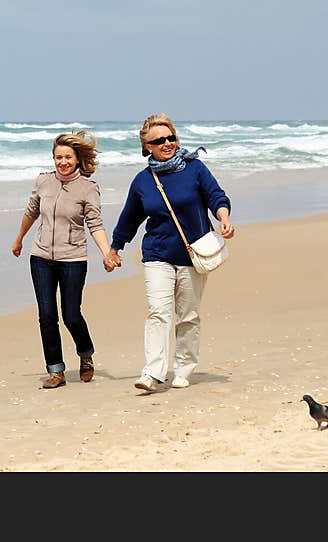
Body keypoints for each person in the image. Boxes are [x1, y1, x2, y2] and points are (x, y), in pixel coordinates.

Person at [106, 113, 235, 393]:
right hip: (156, 254)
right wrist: (115, 248)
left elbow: (216, 195)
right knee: (158, 313)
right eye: (159, 140)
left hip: (192, 255)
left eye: (170, 137)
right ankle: (153, 372)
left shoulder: (195, 169)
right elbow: (130, 217)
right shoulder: (143, 181)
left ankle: (184, 367)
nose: (167, 143)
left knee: (187, 315)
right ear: (147, 147)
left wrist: (223, 217)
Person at [12, 132, 117, 389]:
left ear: (78, 159)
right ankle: (56, 371)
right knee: (46, 315)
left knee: (71, 314)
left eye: (68, 157)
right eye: (58, 157)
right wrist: (19, 239)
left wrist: (107, 252)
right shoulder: (43, 182)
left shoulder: (88, 188)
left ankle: (85, 353)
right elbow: (31, 213)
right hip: (41, 257)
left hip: (73, 258)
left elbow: (95, 223)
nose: (63, 162)